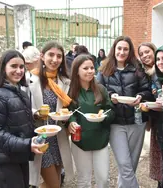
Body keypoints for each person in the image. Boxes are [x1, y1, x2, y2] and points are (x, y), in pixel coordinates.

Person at [97, 36, 153, 188]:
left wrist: (140, 96)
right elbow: (97, 93)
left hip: (137, 121)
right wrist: (110, 97)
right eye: (119, 48)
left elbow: (147, 91)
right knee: (124, 163)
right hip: (115, 122)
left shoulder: (137, 69)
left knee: (131, 165)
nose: (122, 52)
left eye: (125, 49)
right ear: (114, 49)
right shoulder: (103, 70)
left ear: (130, 52)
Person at [0, 49, 44, 188]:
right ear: (3, 68)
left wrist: (33, 139)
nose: (19, 70)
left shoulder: (20, 92)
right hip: (3, 159)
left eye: (21, 66)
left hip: (18, 154)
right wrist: (27, 144)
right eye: (14, 66)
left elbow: (21, 124)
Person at [29, 41, 75, 188]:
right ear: (42, 56)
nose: (55, 60)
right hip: (40, 137)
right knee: (54, 183)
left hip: (58, 137)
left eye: (59, 56)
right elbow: (23, 106)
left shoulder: (64, 82)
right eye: (51, 55)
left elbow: (69, 106)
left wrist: (67, 116)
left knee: (52, 182)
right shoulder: (30, 80)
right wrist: (36, 113)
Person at [67, 54, 115, 188]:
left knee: (104, 179)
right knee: (83, 180)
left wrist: (104, 116)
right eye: (85, 68)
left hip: (100, 139)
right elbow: (68, 112)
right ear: (77, 70)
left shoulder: (101, 89)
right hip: (80, 140)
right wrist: (70, 121)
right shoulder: (70, 91)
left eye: (92, 68)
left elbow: (110, 110)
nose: (90, 71)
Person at [142, 44, 163, 188]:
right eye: (158, 59)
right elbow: (155, 100)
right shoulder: (154, 76)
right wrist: (146, 108)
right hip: (162, 129)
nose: (160, 61)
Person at [138, 42, 163, 187]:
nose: (145, 56)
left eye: (147, 51)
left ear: (154, 50)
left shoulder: (162, 69)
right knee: (158, 159)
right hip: (156, 119)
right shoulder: (145, 73)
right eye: (141, 54)